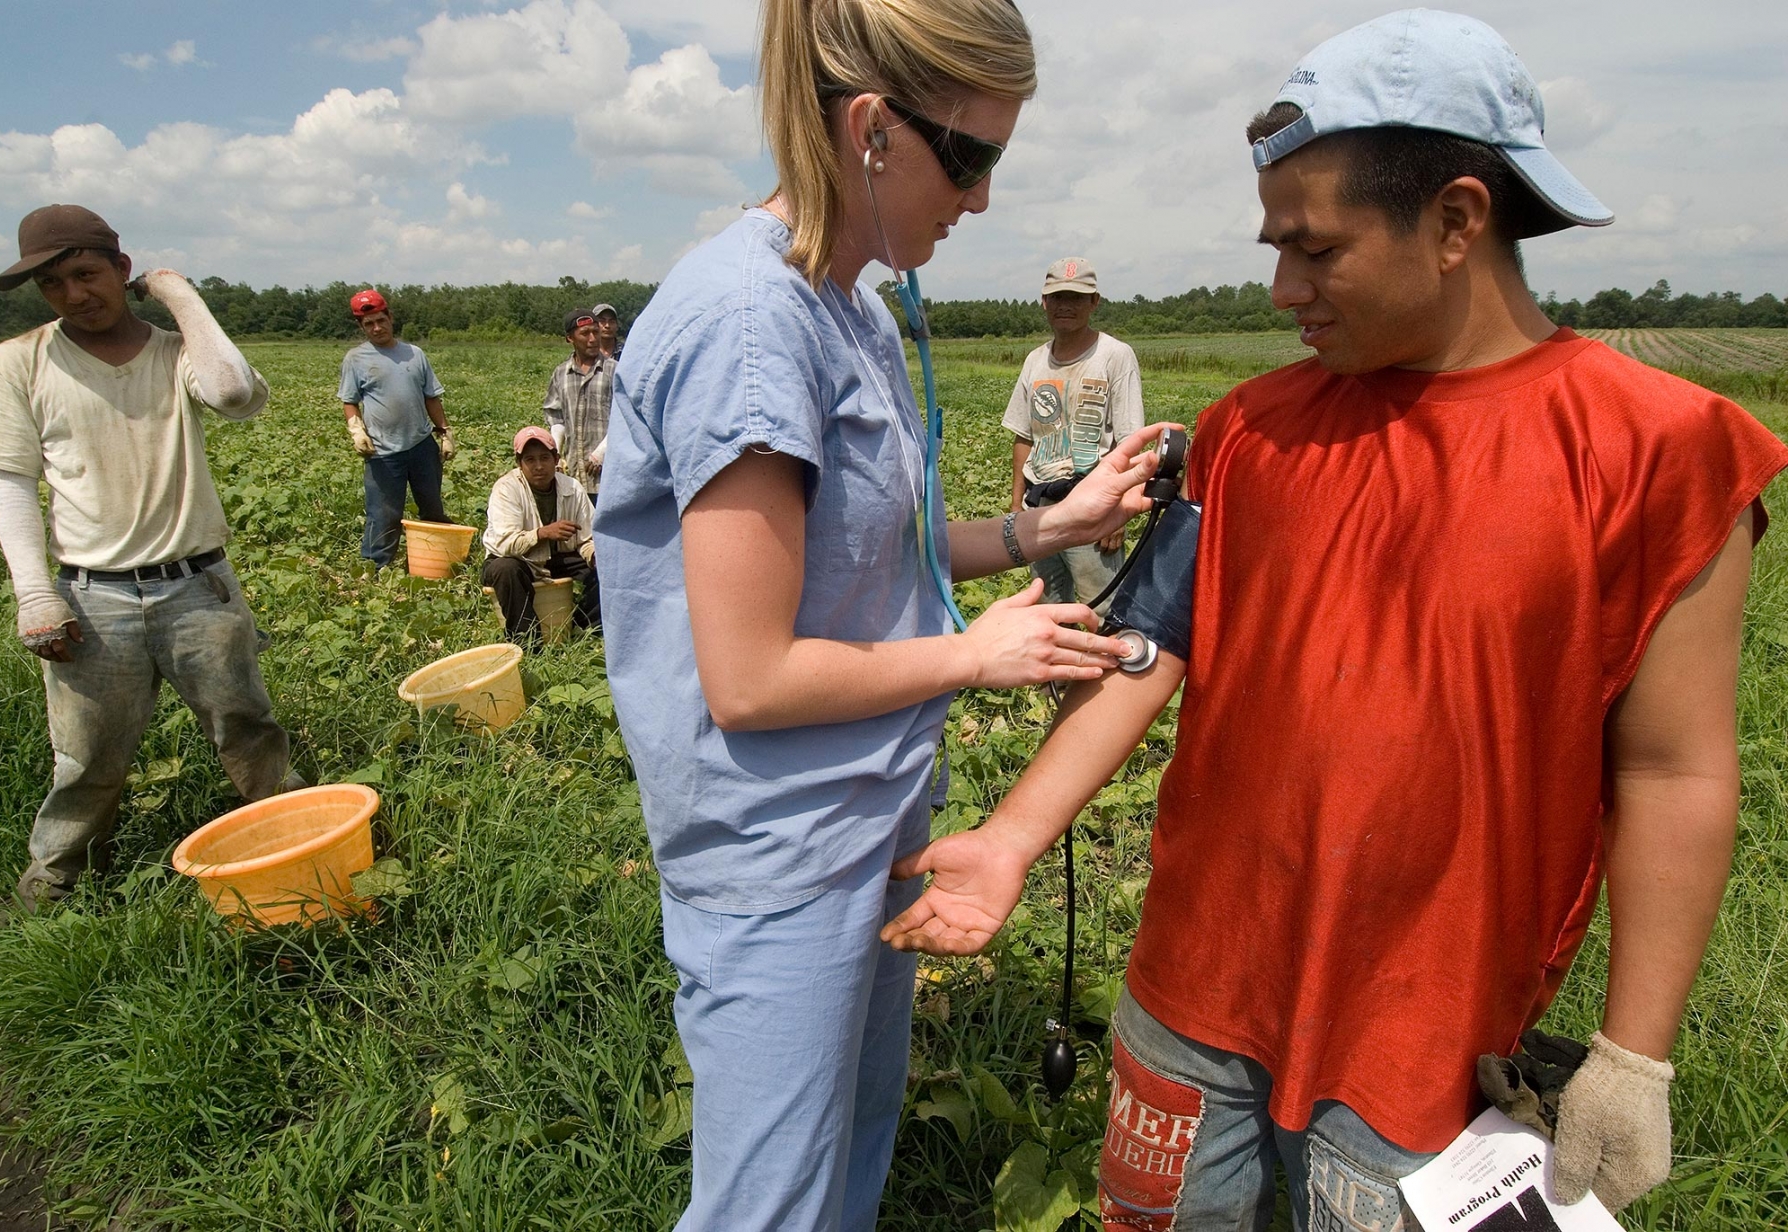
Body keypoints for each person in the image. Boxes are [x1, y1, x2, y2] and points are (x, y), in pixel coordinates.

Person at [883, 9, 1788, 1227]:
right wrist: (1009, 836)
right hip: (1196, 985)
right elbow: (1154, 648)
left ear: (1458, 222)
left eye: (1314, 250)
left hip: (1431, 1042)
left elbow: (1675, 767)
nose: (1281, 287)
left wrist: (1634, 1053)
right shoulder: (1253, 431)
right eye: (1275, 247)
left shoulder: (1659, 455)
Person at [590, 1, 1170, 1227]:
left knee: (849, 1141)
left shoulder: (845, 299)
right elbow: (746, 675)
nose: (980, 199)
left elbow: (876, 550)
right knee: (773, 1198)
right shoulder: (750, 323)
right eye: (971, 158)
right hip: (781, 846)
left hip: (870, 810)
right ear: (869, 130)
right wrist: (973, 654)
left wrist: (1044, 529)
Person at [0, 203, 305, 910]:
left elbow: (236, 393)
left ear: (124, 270)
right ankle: (56, 883)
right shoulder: (18, 363)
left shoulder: (173, 354)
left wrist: (180, 295)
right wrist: (35, 593)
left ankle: (298, 848)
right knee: (88, 758)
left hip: (198, 588)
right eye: (53, 285)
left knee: (247, 729)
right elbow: (10, 486)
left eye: (87, 275)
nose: (73, 296)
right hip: (91, 599)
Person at [1004, 257, 1144, 607]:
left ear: (1094, 302)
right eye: (1058, 297)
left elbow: (1130, 441)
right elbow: (1024, 435)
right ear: (1044, 301)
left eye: (1077, 297)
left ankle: (1103, 663)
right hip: (1040, 507)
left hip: (1093, 504)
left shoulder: (1115, 356)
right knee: (1047, 608)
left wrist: (1119, 509)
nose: (1066, 305)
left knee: (1102, 608)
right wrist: (1015, 502)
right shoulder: (1035, 361)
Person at [338, 289, 454, 569]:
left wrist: (445, 432)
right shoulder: (356, 359)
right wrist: (357, 430)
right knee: (384, 514)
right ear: (361, 326)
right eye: (369, 324)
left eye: (381, 320)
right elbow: (349, 401)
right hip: (382, 452)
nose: (377, 328)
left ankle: (438, 562)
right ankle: (376, 568)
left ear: (390, 317)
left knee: (432, 507)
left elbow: (431, 397)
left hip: (421, 446)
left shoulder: (414, 354)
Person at [482, 426, 600, 645]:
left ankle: (584, 630)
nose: (538, 466)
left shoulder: (572, 488)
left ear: (556, 459)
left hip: (557, 559)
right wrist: (542, 533)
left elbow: (587, 537)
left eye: (545, 458)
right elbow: (504, 543)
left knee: (606, 566)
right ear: (519, 463)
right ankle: (527, 641)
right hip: (518, 560)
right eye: (530, 459)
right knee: (505, 569)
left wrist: (594, 555)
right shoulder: (507, 489)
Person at [541, 308, 615, 503]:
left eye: (595, 332)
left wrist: (602, 452)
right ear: (569, 338)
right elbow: (556, 417)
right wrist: (556, 452)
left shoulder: (614, 371)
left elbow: (625, 417)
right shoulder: (561, 374)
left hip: (609, 473)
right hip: (574, 472)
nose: (592, 339)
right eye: (585, 333)